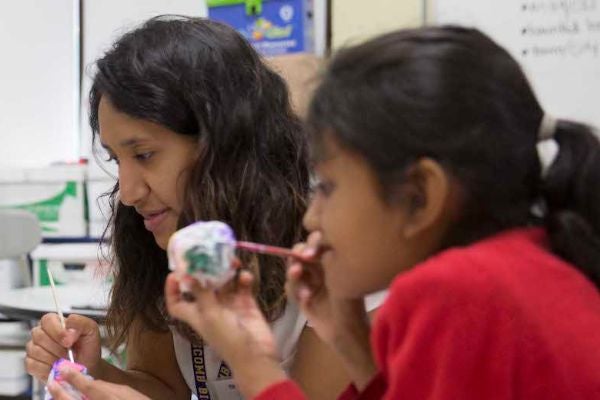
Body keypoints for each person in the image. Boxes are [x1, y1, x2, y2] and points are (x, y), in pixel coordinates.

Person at [47, 25, 600, 400]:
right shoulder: (514, 271)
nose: (315, 215)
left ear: (421, 195)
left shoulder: (453, 290)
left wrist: (250, 358)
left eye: (330, 186)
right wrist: (355, 345)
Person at [25, 15, 352, 400]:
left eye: (144, 154)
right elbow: (164, 389)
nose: (127, 193)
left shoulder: (335, 261)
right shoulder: (158, 243)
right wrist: (93, 372)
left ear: (224, 145)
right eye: (116, 160)